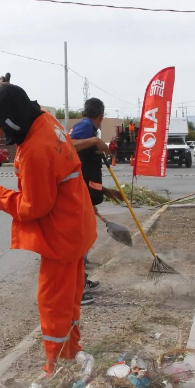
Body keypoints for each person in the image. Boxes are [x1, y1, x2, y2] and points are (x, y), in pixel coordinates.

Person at [0, 84, 96, 375]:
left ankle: (55, 368)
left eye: (2, 127)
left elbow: (34, 207)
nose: (2, 134)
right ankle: (71, 354)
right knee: (68, 301)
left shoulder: (36, 151)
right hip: (77, 227)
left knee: (54, 304)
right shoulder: (44, 118)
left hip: (61, 238)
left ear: (14, 121)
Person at [69, 98, 124, 306]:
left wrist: (107, 191)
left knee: (84, 240)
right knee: (79, 242)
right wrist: (94, 141)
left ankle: (81, 281)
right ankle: (77, 289)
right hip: (76, 195)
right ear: (101, 115)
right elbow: (67, 147)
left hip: (82, 193)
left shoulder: (88, 128)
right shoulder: (85, 126)